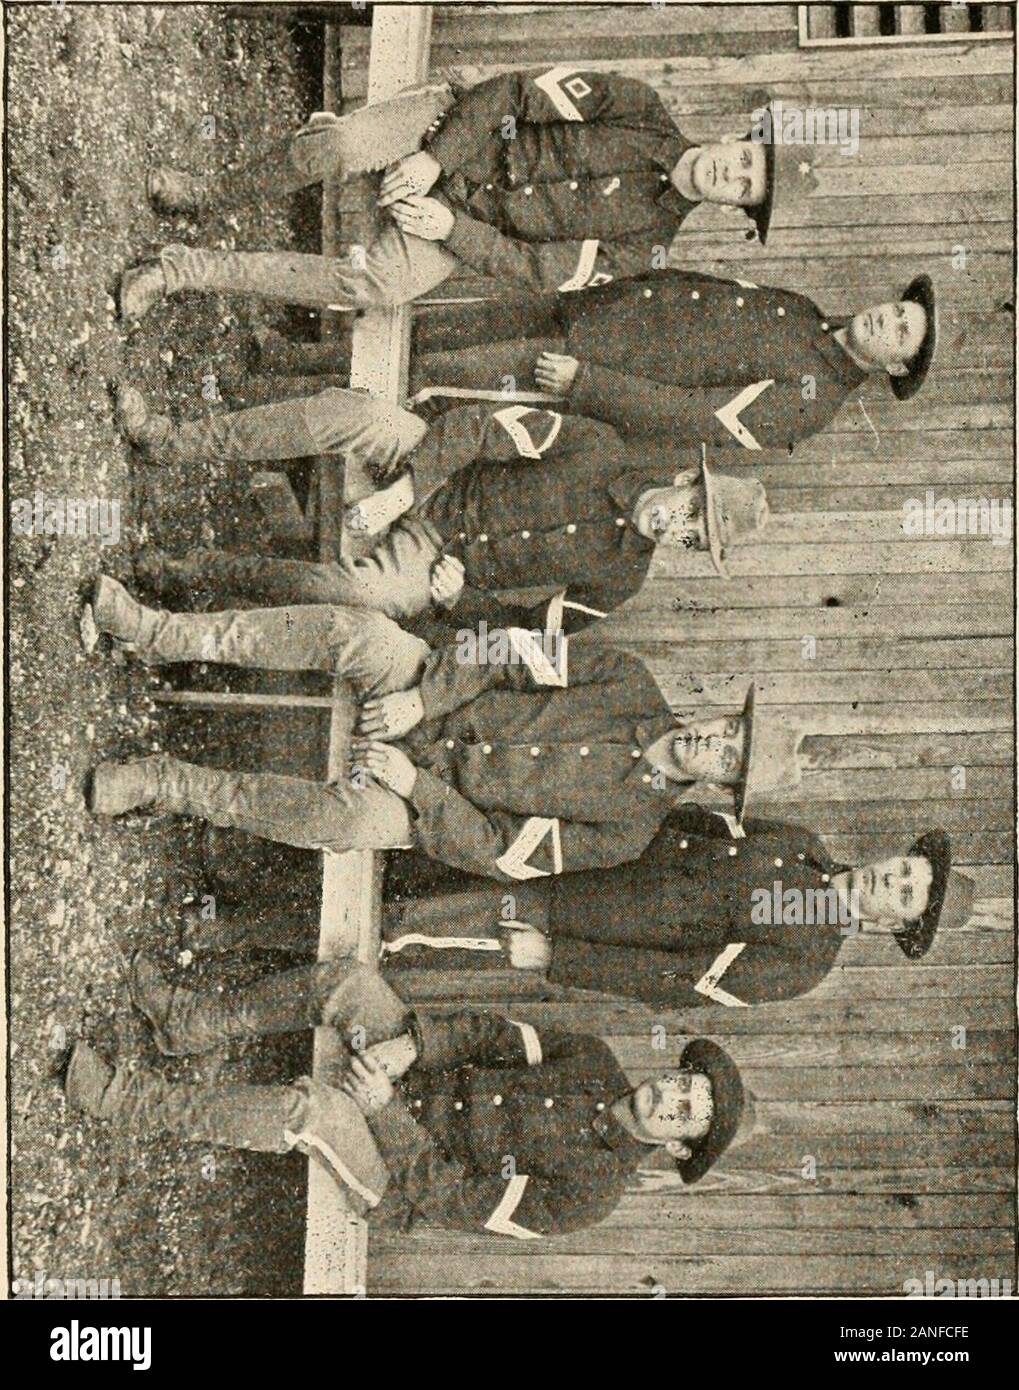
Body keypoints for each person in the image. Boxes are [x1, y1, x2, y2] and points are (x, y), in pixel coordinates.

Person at [84, 578, 777, 881]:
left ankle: (161, 782)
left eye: (728, 760)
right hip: (432, 690)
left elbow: (497, 852)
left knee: (349, 825)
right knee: (356, 634)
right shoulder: (628, 680)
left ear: (721, 789)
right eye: (727, 729)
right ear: (719, 712)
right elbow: (502, 650)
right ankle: (153, 631)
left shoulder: (629, 829)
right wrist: (423, 699)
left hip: (429, 799)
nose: (713, 743)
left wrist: (415, 783)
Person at [55, 957, 748, 1235]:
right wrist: (411, 1047)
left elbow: (451, 1201)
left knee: (312, 1110)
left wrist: (381, 1110)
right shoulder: (592, 1059)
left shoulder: (591, 1194)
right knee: (352, 986)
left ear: (677, 1144)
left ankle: (123, 1100)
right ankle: (188, 1023)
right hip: (404, 1079)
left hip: (394, 1182)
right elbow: (485, 1036)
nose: (670, 1095)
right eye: (684, 1082)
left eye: (685, 1111)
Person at [122, 70, 777, 315]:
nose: (732, 174)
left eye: (745, 188)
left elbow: (535, 269)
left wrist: (449, 230)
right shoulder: (638, 105)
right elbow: (514, 91)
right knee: (345, 148)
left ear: (735, 210)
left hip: (460, 225)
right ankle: (207, 196)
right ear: (732, 136)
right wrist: (435, 159)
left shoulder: (647, 246)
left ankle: (180, 270)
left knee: (377, 287)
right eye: (744, 160)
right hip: (453, 128)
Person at [115, 386, 768, 626]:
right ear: (687, 478)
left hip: (434, 557)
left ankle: (190, 572)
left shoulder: (616, 582)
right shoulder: (600, 447)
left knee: (365, 599)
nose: (675, 527)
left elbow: (522, 635)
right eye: (692, 511)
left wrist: (462, 601)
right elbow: (480, 428)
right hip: (432, 468)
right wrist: (405, 490)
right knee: (360, 416)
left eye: (691, 539)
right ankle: (170, 440)